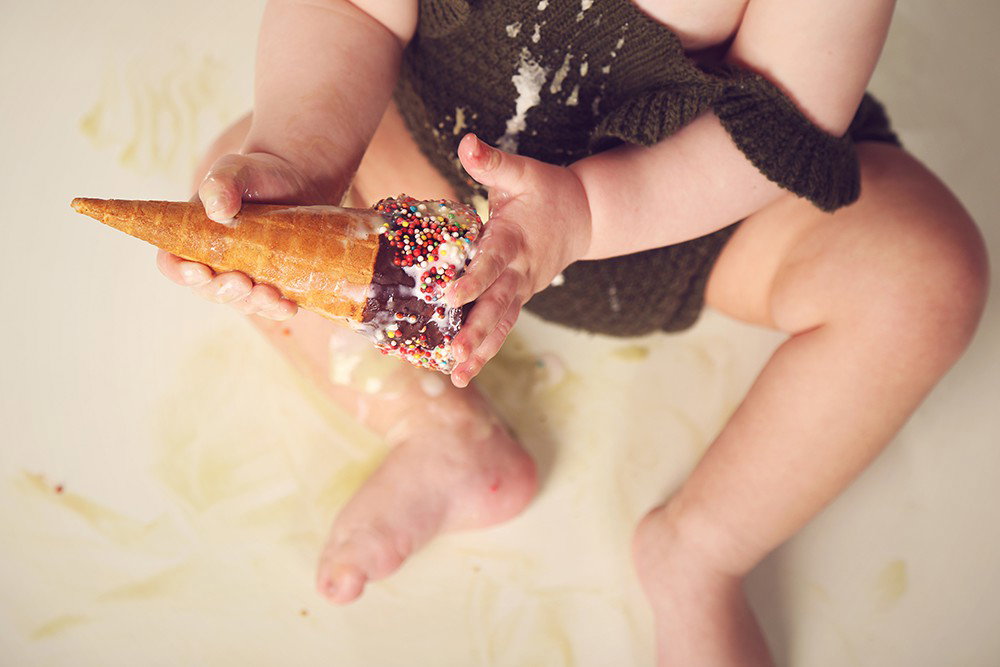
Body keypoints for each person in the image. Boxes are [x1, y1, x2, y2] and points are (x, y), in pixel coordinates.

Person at [156, 1, 989, 664]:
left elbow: (780, 125)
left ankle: (700, 550)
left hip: (698, 217)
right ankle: (439, 431)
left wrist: (590, 213)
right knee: (237, 181)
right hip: (448, 179)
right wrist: (303, 157)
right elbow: (352, 9)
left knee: (924, 278)